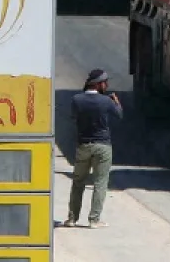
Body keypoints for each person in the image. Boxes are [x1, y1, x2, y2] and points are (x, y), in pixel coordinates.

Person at [66, 68, 122, 228]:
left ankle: (72, 218)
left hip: (83, 145)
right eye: (105, 82)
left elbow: (73, 117)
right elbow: (119, 115)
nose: (107, 85)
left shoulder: (77, 99)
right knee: (100, 183)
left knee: (78, 182)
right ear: (98, 85)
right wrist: (116, 102)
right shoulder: (106, 101)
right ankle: (94, 220)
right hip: (103, 146)